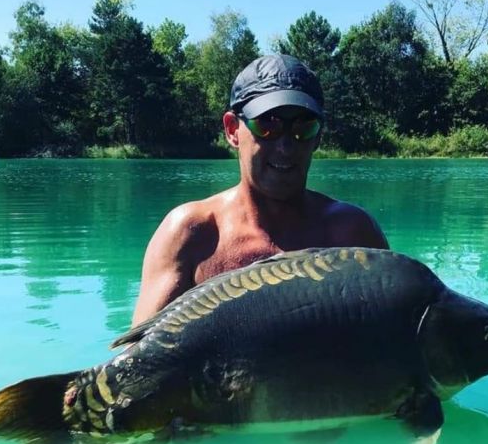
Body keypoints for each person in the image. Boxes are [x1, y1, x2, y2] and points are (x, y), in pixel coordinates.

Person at [132, 54, 389, 326]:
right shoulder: (191, 233)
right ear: (232, 129)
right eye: (267, 125)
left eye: (303, 127)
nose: (285, 147)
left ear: (318, 137)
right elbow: (142, 350)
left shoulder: (352, 234)